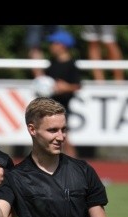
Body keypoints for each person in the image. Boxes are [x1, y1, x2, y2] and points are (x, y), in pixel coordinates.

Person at [44, 29, 82, 158]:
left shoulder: (71, 65)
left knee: (64, 139)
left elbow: (77, 86)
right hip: (49, 107)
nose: (51, 46)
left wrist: (65, 87)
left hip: (63, 108)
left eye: (54, 43)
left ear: (62, 46)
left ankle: (77, 169)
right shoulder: (51, 63)